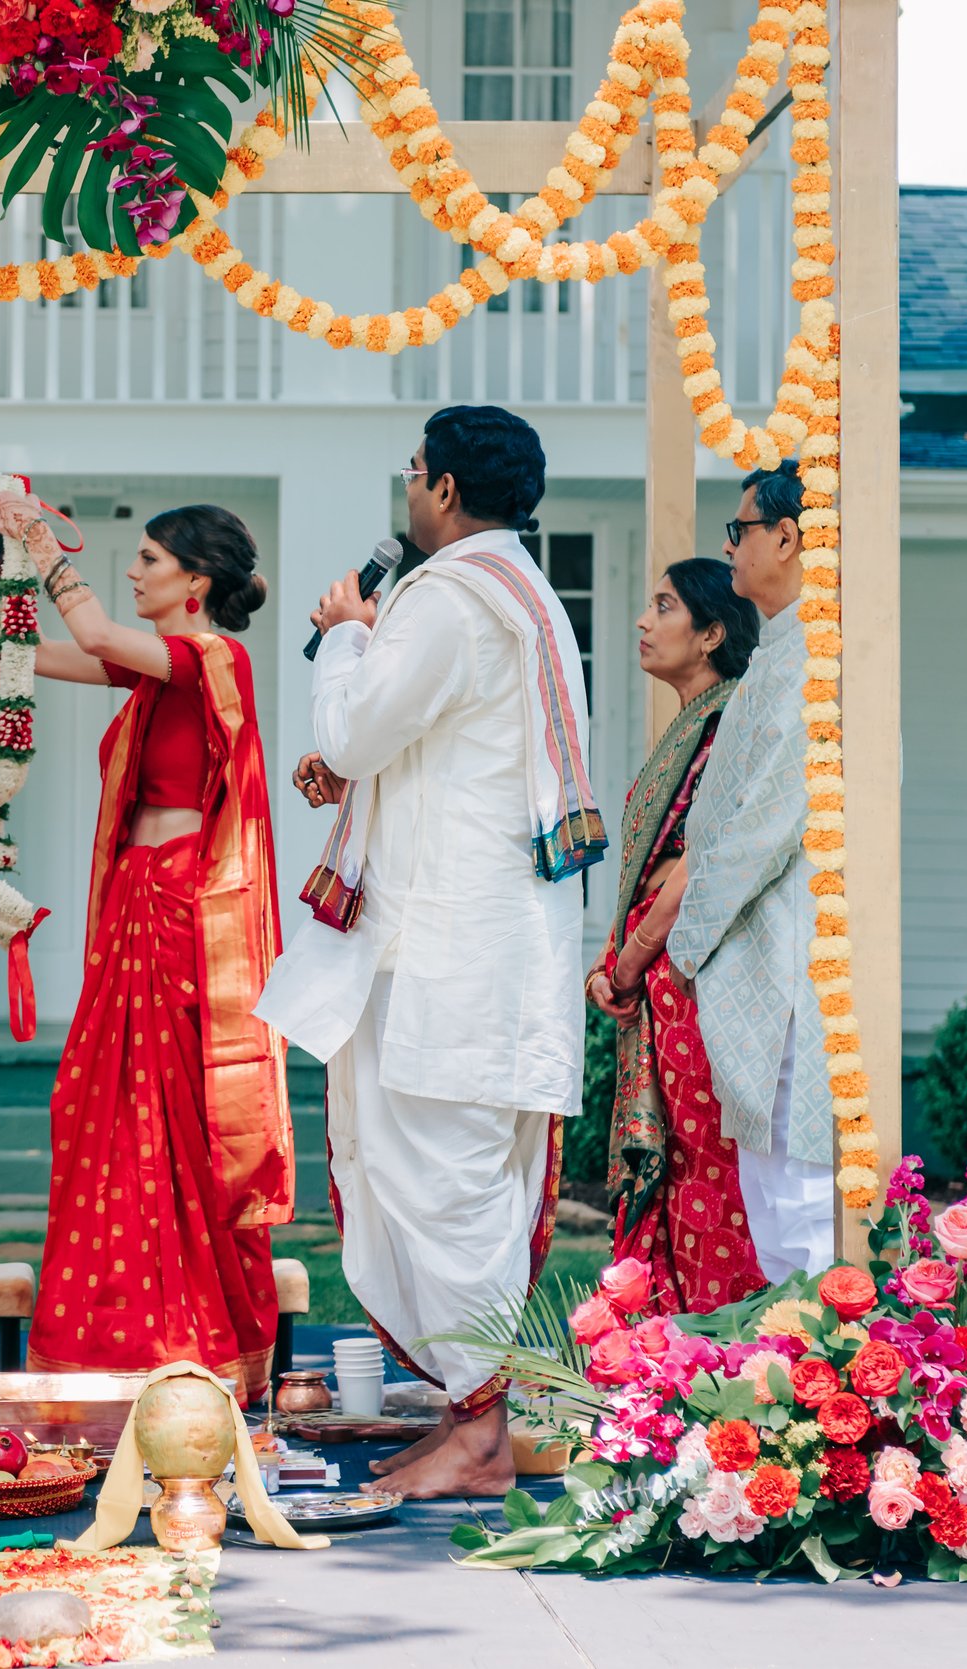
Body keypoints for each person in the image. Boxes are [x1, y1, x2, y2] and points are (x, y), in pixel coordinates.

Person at [258, 404, 600, 1499]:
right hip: (478, 943)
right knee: (441, 1175)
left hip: (446, 952)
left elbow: (359, 731)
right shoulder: (523, 594)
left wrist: (349, 632)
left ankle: (480, 1431)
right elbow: (424, 756)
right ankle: (471, 1418)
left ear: (445, 489)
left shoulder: (444, 598)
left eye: (414, 474)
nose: (407, 492)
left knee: (438, 1180)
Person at [19, 505, 289, 1404]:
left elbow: (91, 630)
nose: (132, 572)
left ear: (195, 582)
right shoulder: (153, 675)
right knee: (104, 1112)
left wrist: (47, 549)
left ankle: (184, 1345)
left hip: (181, 908)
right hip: (142, 900)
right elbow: (46, 656)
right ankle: (111, 1336)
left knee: (171, 1125)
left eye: (147, 558)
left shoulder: (212, 660)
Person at [665, 463, 836, 1282]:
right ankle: (786, 1401)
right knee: (769, 1192)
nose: (729, 547)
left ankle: (832, 1394)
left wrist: (681, 942)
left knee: (804, 1201)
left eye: (739, 530)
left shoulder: (820, 657)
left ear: (788, 537)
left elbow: (764, 825)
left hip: (794, 947)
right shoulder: (782, 649)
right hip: (756, 948)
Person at [585, 557, 767, 1314]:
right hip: (662, 984)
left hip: (690, 981)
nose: (642, 620)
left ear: (711, 633)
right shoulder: (695, 722)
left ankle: (713, 1350)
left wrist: (625, 963)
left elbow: (694, 869)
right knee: (682, 1165)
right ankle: (662, 1348)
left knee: (703, 1171)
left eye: (663, 606)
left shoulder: (729, 724)